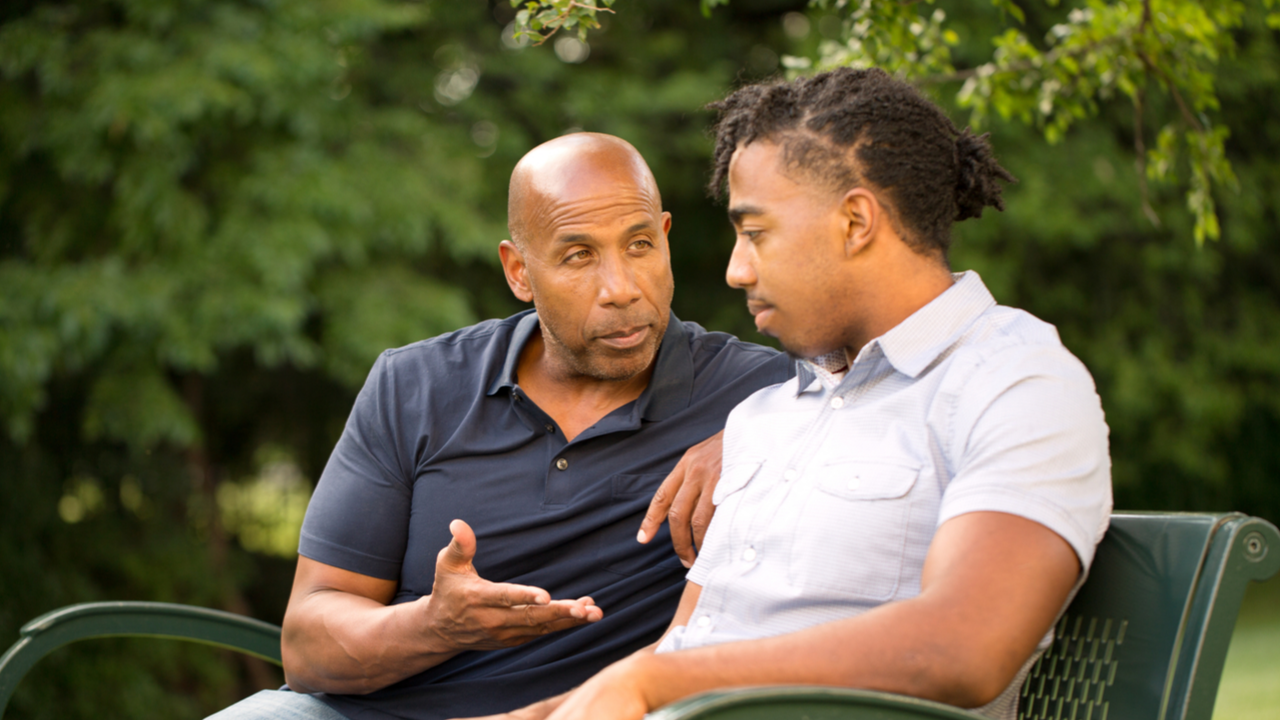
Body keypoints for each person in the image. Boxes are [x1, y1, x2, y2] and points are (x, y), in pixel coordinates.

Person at [488, 67, 1113, 720]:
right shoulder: (767, 417)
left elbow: (963, 647)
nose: (737, 270)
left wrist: (652, 684)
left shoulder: (1013, 381)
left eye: (756, 233)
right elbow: (685, 653)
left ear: (855, 221)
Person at [206, 133, 793, 720]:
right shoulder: (414, 385)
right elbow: (306, 651)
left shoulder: (767, 396)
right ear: (518, 271)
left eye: (639, 245)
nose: (621, 289)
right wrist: (437, 626)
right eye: (578, 255)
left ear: (665, 239)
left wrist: (759, 433)